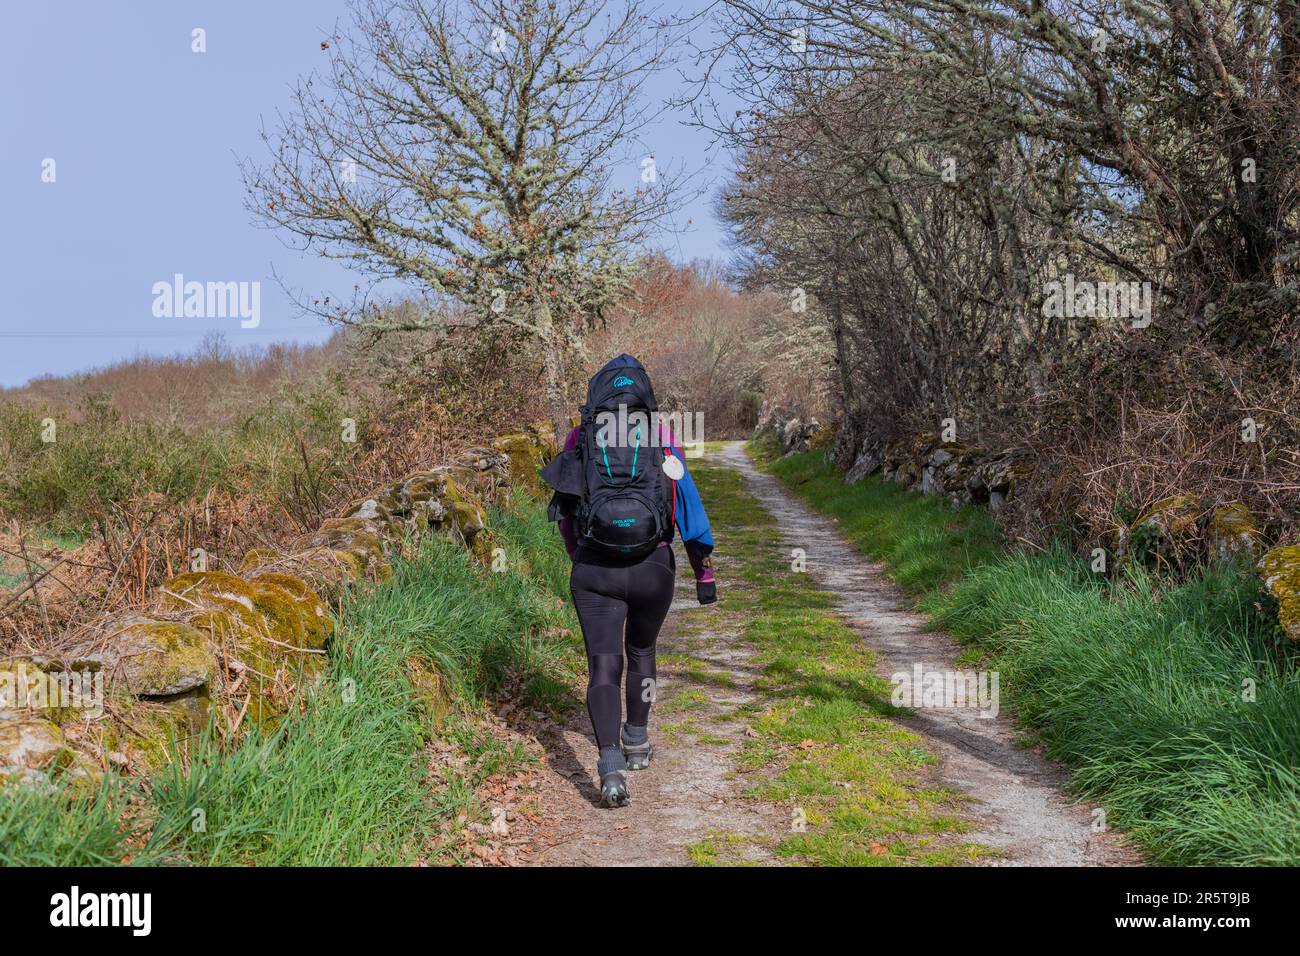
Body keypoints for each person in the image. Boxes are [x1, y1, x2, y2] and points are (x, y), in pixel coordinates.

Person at [544, 355, 717, 808]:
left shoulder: (579, 438)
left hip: (594, 568)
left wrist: (578, 556)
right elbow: (688, 508)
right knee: (642, 651)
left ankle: (610, 766)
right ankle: (637, 740)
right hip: (652, 567)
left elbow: (566, 512)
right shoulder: (661, 438)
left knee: (603, 666)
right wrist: (704, 571)